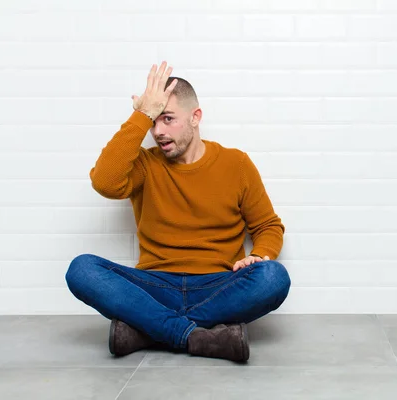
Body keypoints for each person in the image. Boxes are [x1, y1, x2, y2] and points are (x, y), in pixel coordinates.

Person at [65, 61, 291, 362]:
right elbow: (104, 183)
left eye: (167, 119)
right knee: (81, 269)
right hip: (155, 285)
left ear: (195, 117)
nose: (158, 131)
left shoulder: (236, 164)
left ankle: (148, 329)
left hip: (216, 286)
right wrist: (140, 115)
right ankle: (196, 337)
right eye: (153, 121)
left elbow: (268, 226)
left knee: (273, 277)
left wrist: (259, 254)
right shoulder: (145, 164)